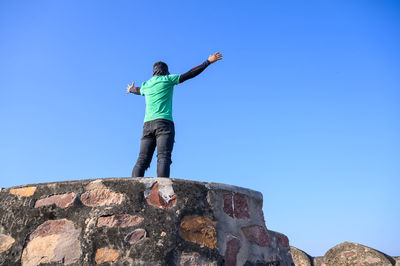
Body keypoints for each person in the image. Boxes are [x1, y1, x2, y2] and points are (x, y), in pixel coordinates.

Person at [126, 52, 223, 178]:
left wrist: (130, 90)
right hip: (164, 123)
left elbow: (137, 90)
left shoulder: (147, 85)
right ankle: (163, 193)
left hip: (147, 125)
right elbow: (190, 74)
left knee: (142, 159)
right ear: (165, 71)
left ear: (154, 72)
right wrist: (208, 62)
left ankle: (134, 189)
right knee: (163, 157)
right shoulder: (168, 80)